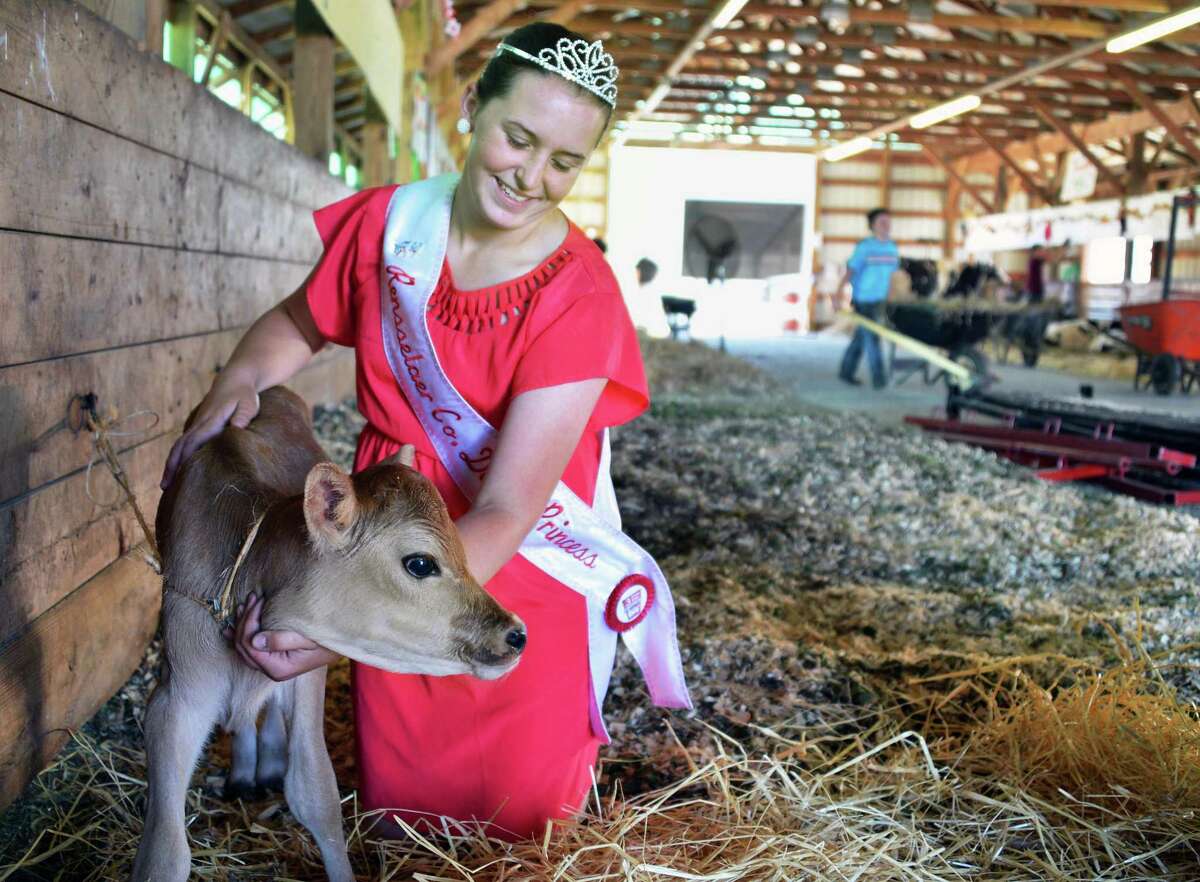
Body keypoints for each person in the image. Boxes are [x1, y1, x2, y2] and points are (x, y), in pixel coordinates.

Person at [158, 23, 688, 841]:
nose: (533, 176)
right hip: (382, 533)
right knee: (406, 816)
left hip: (510, 565)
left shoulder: (579, 298)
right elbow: (299, 322)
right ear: (474, 107)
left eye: (565, 162)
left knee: (519, 823)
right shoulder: (391, 229)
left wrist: (335, 635)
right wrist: (240, 374)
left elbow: (511, 505)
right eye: (519, 138)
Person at [837, 207, 898, 389]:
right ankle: (879, 380)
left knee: (861, 338)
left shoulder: (892, 248)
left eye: (888, 221)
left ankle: (846, 372)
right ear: (873, 226)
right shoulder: (865, 247)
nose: (886, 225)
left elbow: (893, 276)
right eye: (882, 222)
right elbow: (850, 271)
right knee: (872, 340)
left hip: (882, 301)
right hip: (864, 300)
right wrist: (837, 293)